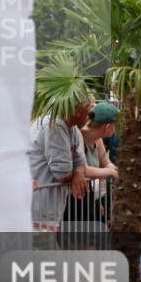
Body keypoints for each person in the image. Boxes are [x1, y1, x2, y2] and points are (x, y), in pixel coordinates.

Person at [29, 96, 91, 230]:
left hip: (49, 210)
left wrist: (79, 173)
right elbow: (62, 174)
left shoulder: (71, 127)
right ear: (79, 111)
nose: (90, 117)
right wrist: (77, 173)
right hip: (39, 210)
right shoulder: (54, 125)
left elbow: (80, 161)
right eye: (89, 111)